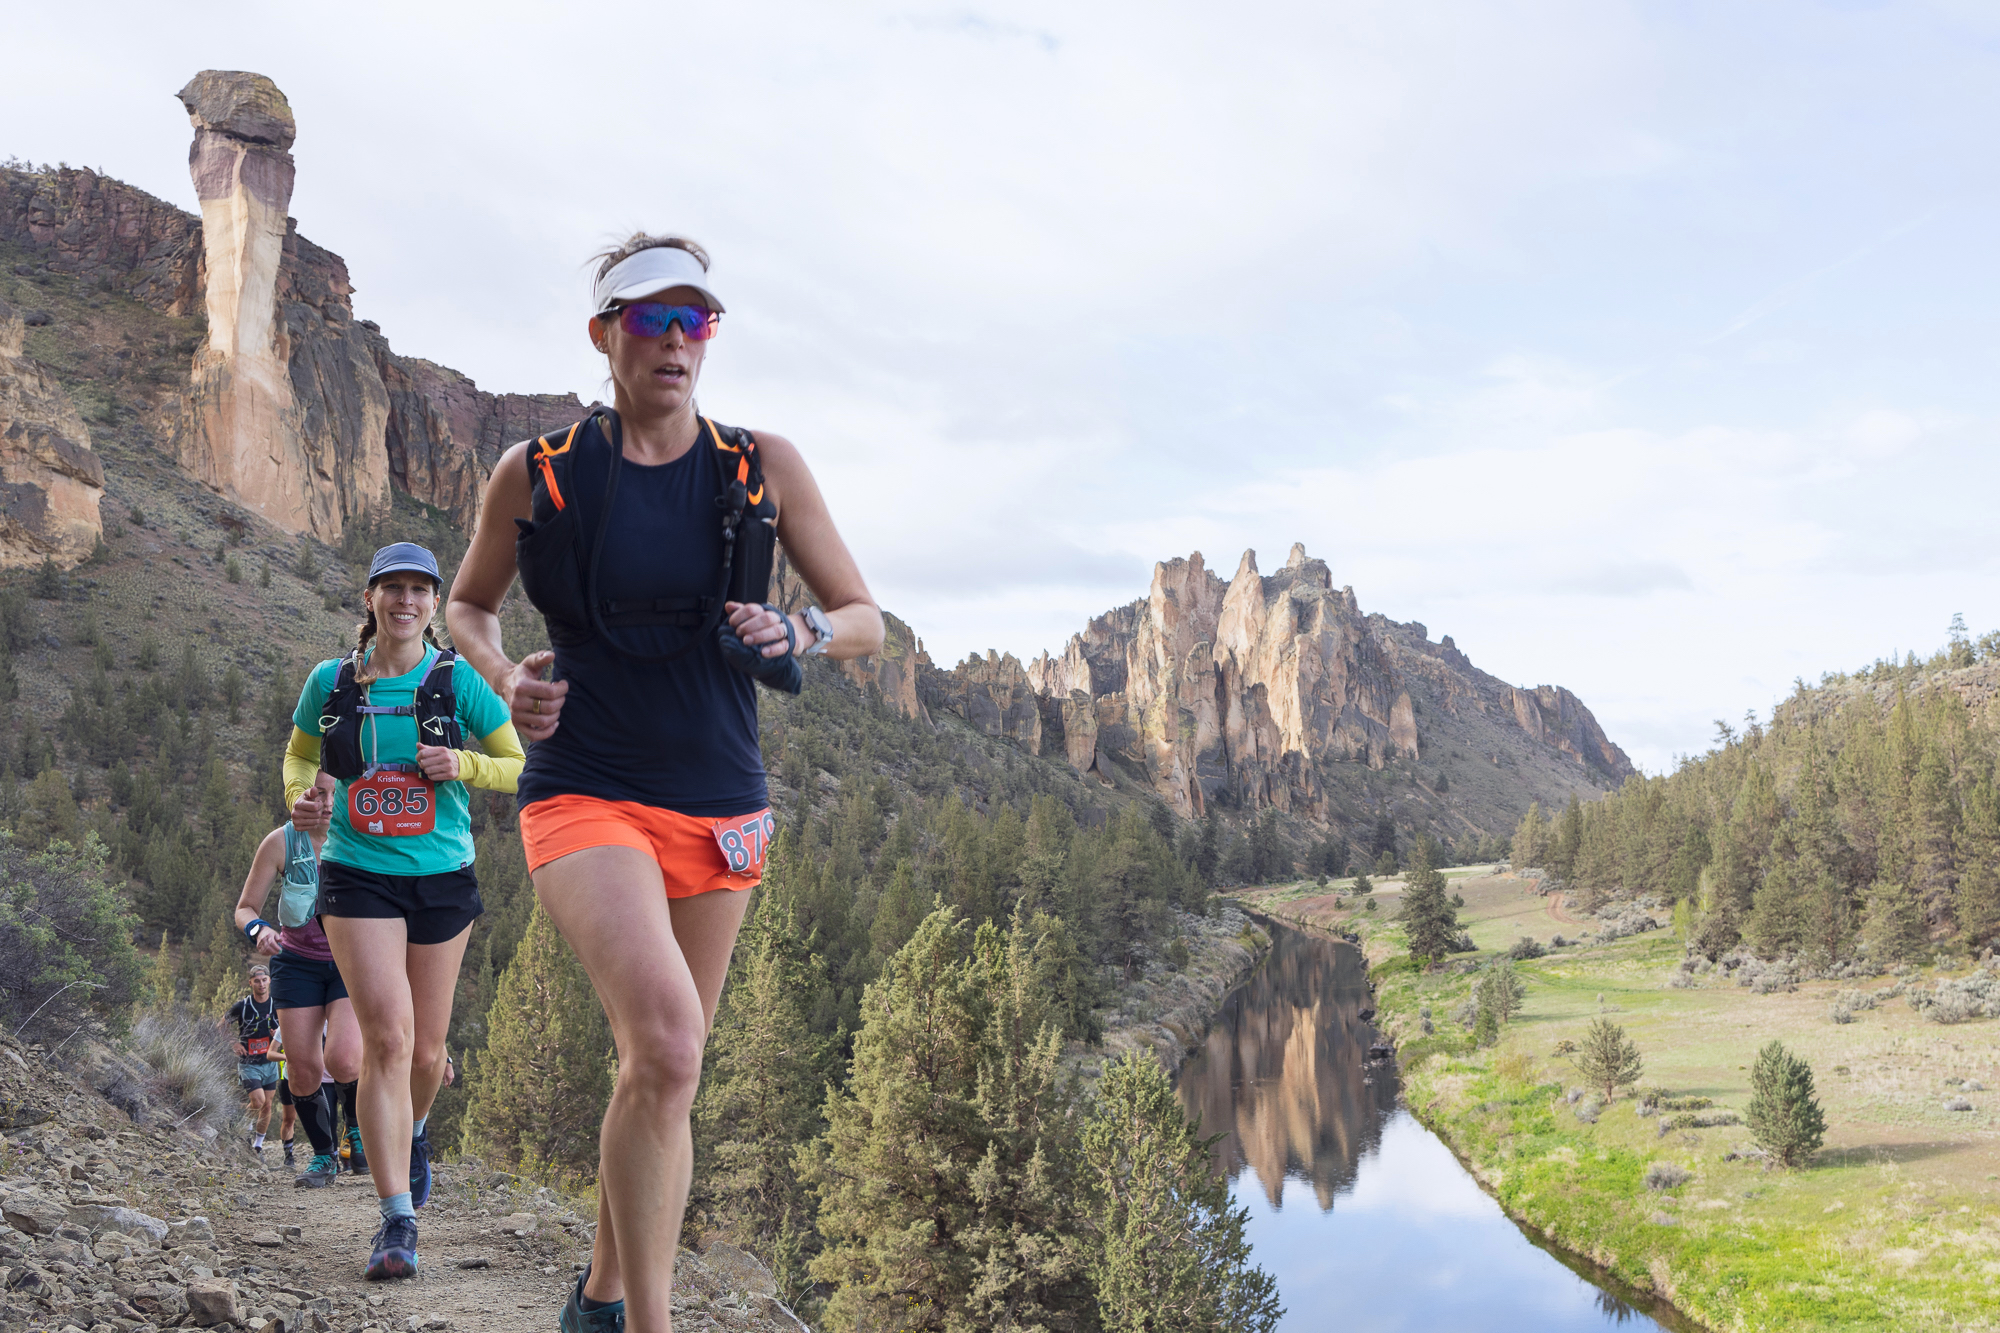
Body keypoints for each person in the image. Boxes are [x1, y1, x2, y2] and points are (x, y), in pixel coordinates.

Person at [447, 232, 883, 1333]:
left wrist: (797, 626)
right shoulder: (537, 470)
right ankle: (651, 1323)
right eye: (652, 318)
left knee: (659, 1069)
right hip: (582, 782)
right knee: (671, 1042)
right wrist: (504, 677)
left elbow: (863, 620)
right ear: (604, 336)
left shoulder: (761, 464)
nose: (678, 340)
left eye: (697, 320)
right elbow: (466, 605)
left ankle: (595, 1296)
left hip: (719, 798)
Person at [286, 542, 525, 1280]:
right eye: (393, 587)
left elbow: (517, 765)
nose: (407, 600)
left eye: (421, 589)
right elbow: (298, 757)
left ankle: (415, 1129)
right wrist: (301, 798)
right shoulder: (330, 681)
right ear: (371, 598)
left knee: (426, 1051)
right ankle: (396, 1219)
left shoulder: (457, 682)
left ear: (432, 601)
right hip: (356, 874)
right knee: (388, 1038)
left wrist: (466, 765)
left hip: (442, 880)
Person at [232, 772, 364, 1190]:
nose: (326, 803)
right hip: (296, 964)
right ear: (299, 795)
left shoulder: (365, 838)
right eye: (317, 793)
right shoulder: (281, 842)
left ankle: (357, 1132)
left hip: (351, 962)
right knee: (303, 1069)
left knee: (343, 1059)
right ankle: (324, 1156)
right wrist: (260, 931)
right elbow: (246, 908)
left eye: (334, 793)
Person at [223, 965, 280, 1154]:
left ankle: (257, 1146)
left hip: (270, 1062)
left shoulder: (277, 1004)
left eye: (264, 980)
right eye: (257, 981)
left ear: (269, 981)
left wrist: (278, 1034)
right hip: (249, 1063)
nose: (261, 984)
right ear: (250, 983)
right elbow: (220, 1026)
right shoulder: (243, 1006)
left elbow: (290, 1029)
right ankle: (242, 1126)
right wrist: (234, 1043)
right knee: (258, 1102)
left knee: (267, 1105)